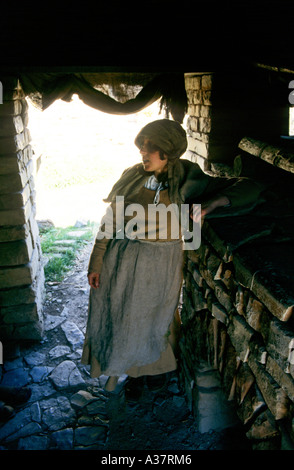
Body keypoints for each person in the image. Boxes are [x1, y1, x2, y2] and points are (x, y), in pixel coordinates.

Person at [81, 119, 263, 394]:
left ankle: (150, 372)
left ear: (167, 150)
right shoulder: (132, 175)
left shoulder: (190, 178)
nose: (143, 153)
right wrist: (97, 262)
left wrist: (211, 204)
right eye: (141, 146)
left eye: (150, 148)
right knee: (119, 316)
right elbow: (110, 220)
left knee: (153, 318)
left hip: (161, 263)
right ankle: (117, 367)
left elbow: (248, 186)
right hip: (121, 259)